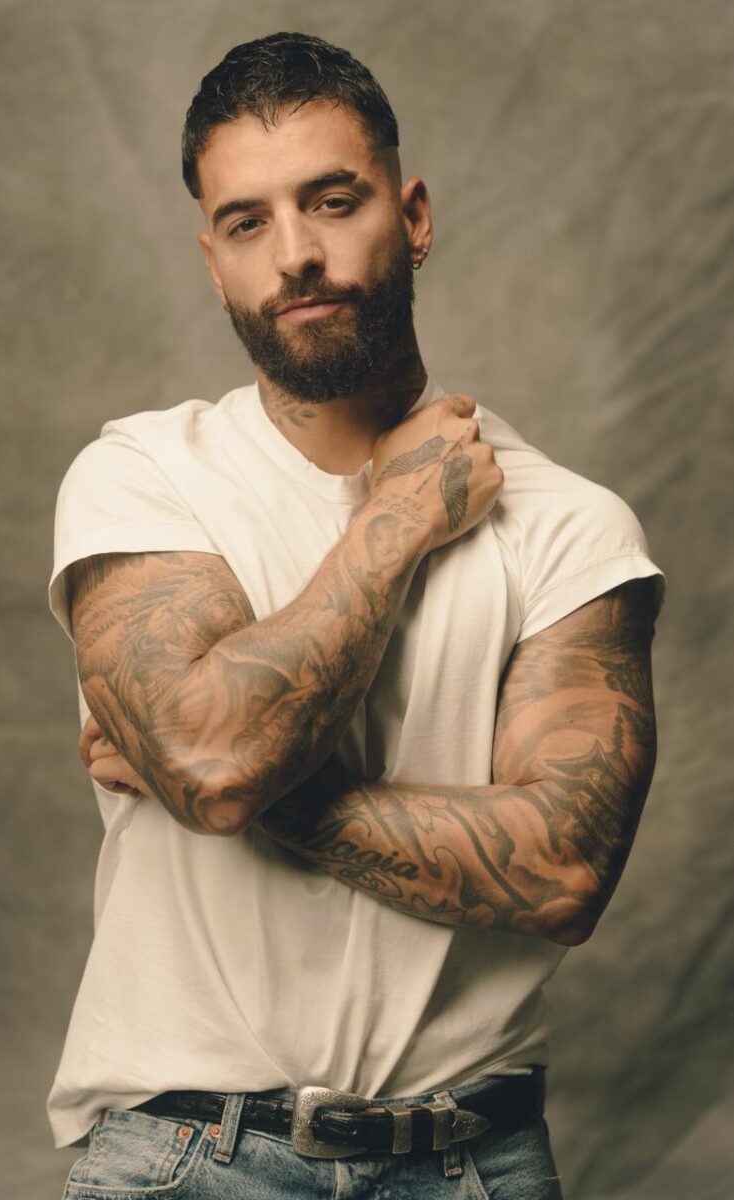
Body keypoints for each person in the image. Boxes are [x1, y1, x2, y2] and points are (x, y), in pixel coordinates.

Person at [48, 32, 663, 1200]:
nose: (296, 254)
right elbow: (211, 759)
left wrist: (238, 789)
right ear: (213, 262)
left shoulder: (572, 527)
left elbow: (560, 872)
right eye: (247, 223)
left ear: (412, 215)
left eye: (333, 202)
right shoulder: (142, 476)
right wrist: (397, 522)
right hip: (188, 1158)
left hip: (472, 1163)